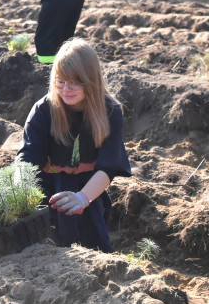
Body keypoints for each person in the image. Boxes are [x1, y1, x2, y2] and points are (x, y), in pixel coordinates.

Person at [16, 37, 131, 251]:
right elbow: (26, 161)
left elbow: (108, 166)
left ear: (91, 80)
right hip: (46, 190)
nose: (66, 88)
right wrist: (19, 195)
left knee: (96, 248)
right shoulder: (43, 110)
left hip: (87, 189)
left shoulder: (110, 111)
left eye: (75, 81)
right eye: (60, 81)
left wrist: (82, 198)